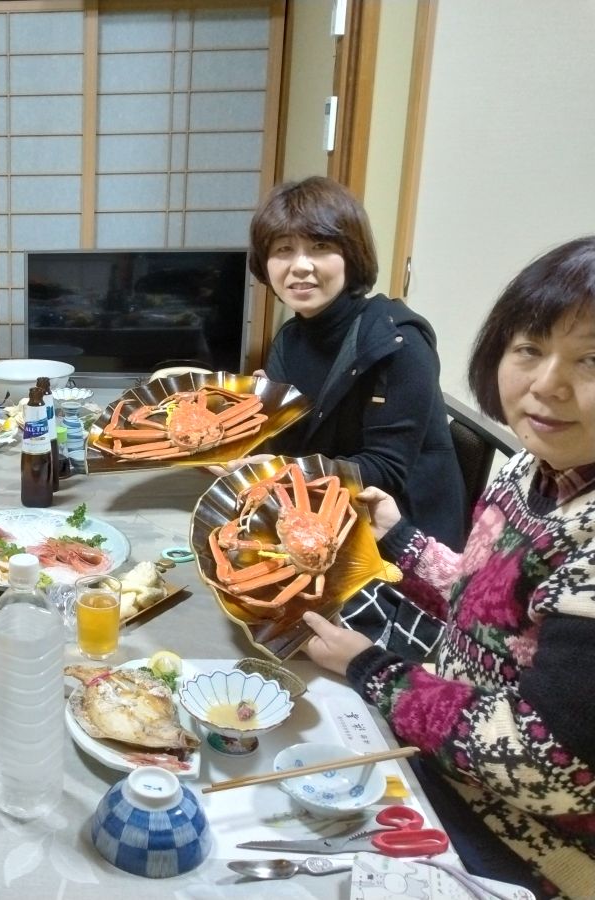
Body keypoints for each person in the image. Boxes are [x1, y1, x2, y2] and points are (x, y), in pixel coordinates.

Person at [302, 235, 595, 898]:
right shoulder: (536, 466)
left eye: (590, 360)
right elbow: (485, 605)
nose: (547, 384)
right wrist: (400, 539)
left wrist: (371, 670)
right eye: (530, 348)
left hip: (524, 845)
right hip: (440, 757)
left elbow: (547, 763)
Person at [247, 176, 466, 551]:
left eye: (320, 247)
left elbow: (385, 471)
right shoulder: (291, 337)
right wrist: (245, 438)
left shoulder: (398, 341)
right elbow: (290, 437)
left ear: (352, 255)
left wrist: (274, 472)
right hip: (319, 513)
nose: (300, 266)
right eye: (283, 249)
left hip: (402, 538)